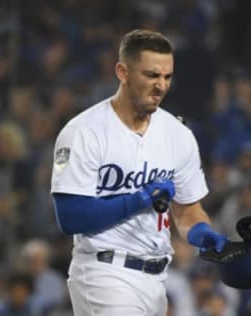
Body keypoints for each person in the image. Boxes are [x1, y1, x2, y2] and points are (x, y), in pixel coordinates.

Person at [50, 29, 228, 315]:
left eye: (167, 77)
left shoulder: (177, 134)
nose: (161, 85)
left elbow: (187, 210)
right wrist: (139, 199)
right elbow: (70, 217)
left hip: (157, 279)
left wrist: (202, 232)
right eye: (151, 75)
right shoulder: (85, 131)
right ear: (123, 72)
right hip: (103, 271)